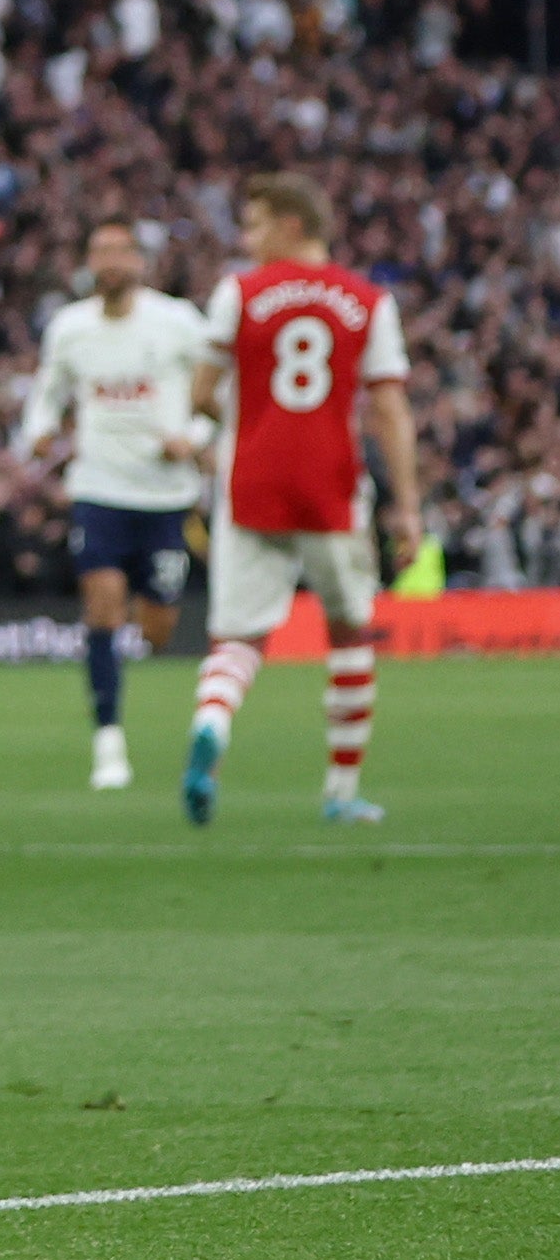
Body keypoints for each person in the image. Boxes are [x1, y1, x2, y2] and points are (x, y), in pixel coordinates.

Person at [182, 173, 422, 828]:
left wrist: (249, 423)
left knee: (238, 636)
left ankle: (211, 722)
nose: (245, 238)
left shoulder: (239, 292)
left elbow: (200, 391)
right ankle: (340, 794)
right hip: (329, 485)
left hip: (250, 482)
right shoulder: (367, 301)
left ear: (292, 225)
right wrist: (407, 503)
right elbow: (390, 409)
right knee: (347, 631)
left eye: (255, 224)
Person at [21, 213, 212, 790]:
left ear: (138, 262)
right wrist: (40, 428)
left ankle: (141, 633)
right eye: (97, 250)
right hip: (99, 488)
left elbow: (217, 388)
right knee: (101, 609)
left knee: (157, 628)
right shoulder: (70, 327)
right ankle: (108, 742)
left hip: (165, 495)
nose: (107, 261)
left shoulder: (177, 322)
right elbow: (48, 388)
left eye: (117, 251)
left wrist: (195, 440)